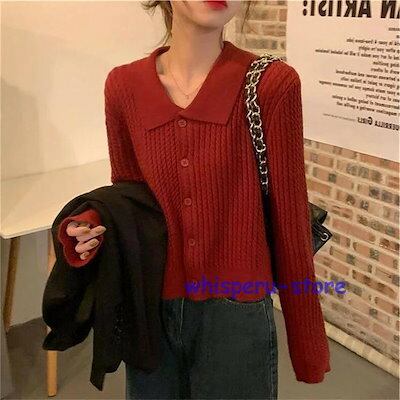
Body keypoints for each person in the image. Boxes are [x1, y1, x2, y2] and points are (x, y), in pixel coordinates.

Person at [56, 1, 331, 398]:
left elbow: (289, 222)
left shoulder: (272, 84)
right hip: (150, 307)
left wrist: (308, 347)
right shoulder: (123, 86)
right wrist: (93, 223)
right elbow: (132, 198)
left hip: (237, 312)